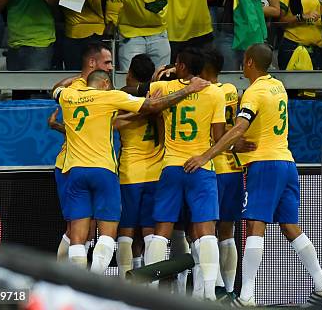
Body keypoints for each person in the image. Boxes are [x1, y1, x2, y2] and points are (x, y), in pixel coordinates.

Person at [184, 43, 322, 307]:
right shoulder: (278, 87)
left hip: (264, 164)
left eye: (244, 60)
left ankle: (246, 297)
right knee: (289, 227)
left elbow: (240, 127)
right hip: (287, 162)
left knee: (254, 225)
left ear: (250, 62)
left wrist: (207, 154)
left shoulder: (254, 92)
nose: (242, 64)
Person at [53, 66, 210, 273]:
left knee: (77, 236)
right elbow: (152, 106)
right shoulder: (110, 97)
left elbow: (56, 89)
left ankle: (75, 286)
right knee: (108, 234)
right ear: (105, 83)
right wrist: (188, 90)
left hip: (75, 171)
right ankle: (97, 287)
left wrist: (79, 77)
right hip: (104, 171)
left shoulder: (68, 96)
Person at [145, 47, 226, 301]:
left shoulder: (165, 89)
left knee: (162, 230)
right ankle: (210, 294)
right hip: (201, 168)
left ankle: (149, 293)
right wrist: (204, 157)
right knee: (206, 230)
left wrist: (162, 75)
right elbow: (219, 138)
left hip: (171, 165)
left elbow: (149, 106)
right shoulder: (215, 93)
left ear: (180, 66)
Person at [48, 42, 114, 262]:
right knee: (77, 228)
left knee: (87, 227)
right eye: (107, 62)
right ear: (92, 63)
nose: (111, 67)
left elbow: (55, 90)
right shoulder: (76, 88)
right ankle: (61, 276)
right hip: (70, 164)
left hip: (87, 164)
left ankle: (72, 278)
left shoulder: (102, 87)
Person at [199, 47, 245, 300]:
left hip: (211, 168)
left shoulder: (205, 94)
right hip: (233, 167)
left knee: (207, 229)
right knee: (229, 230)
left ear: (203, 70)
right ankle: (229, 290)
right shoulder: (230, 90)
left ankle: (214, 288)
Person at [114, 54, 164, 279]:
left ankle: (127, 282)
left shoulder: (121, 98)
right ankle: (149, 283)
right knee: (149, 232)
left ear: (129, 73)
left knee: (126, 229)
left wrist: (135, 114)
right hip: (156, 171)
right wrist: (146, 111)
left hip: (130, 173)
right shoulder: (159, 99)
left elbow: (113, 125)